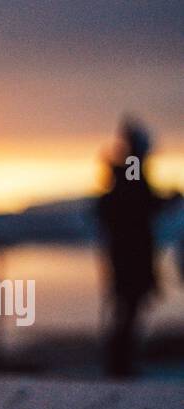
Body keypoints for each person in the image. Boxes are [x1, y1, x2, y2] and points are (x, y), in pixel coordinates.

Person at [96, 118, 180, 378]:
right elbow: (136, 201)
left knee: (127, 307)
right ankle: (120, 364)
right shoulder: (132, 167)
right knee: (128, 307)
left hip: (129, 252)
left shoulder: (129, 169)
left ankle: (120, 362)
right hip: (131, 254)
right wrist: (166, 201)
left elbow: (136, 200)